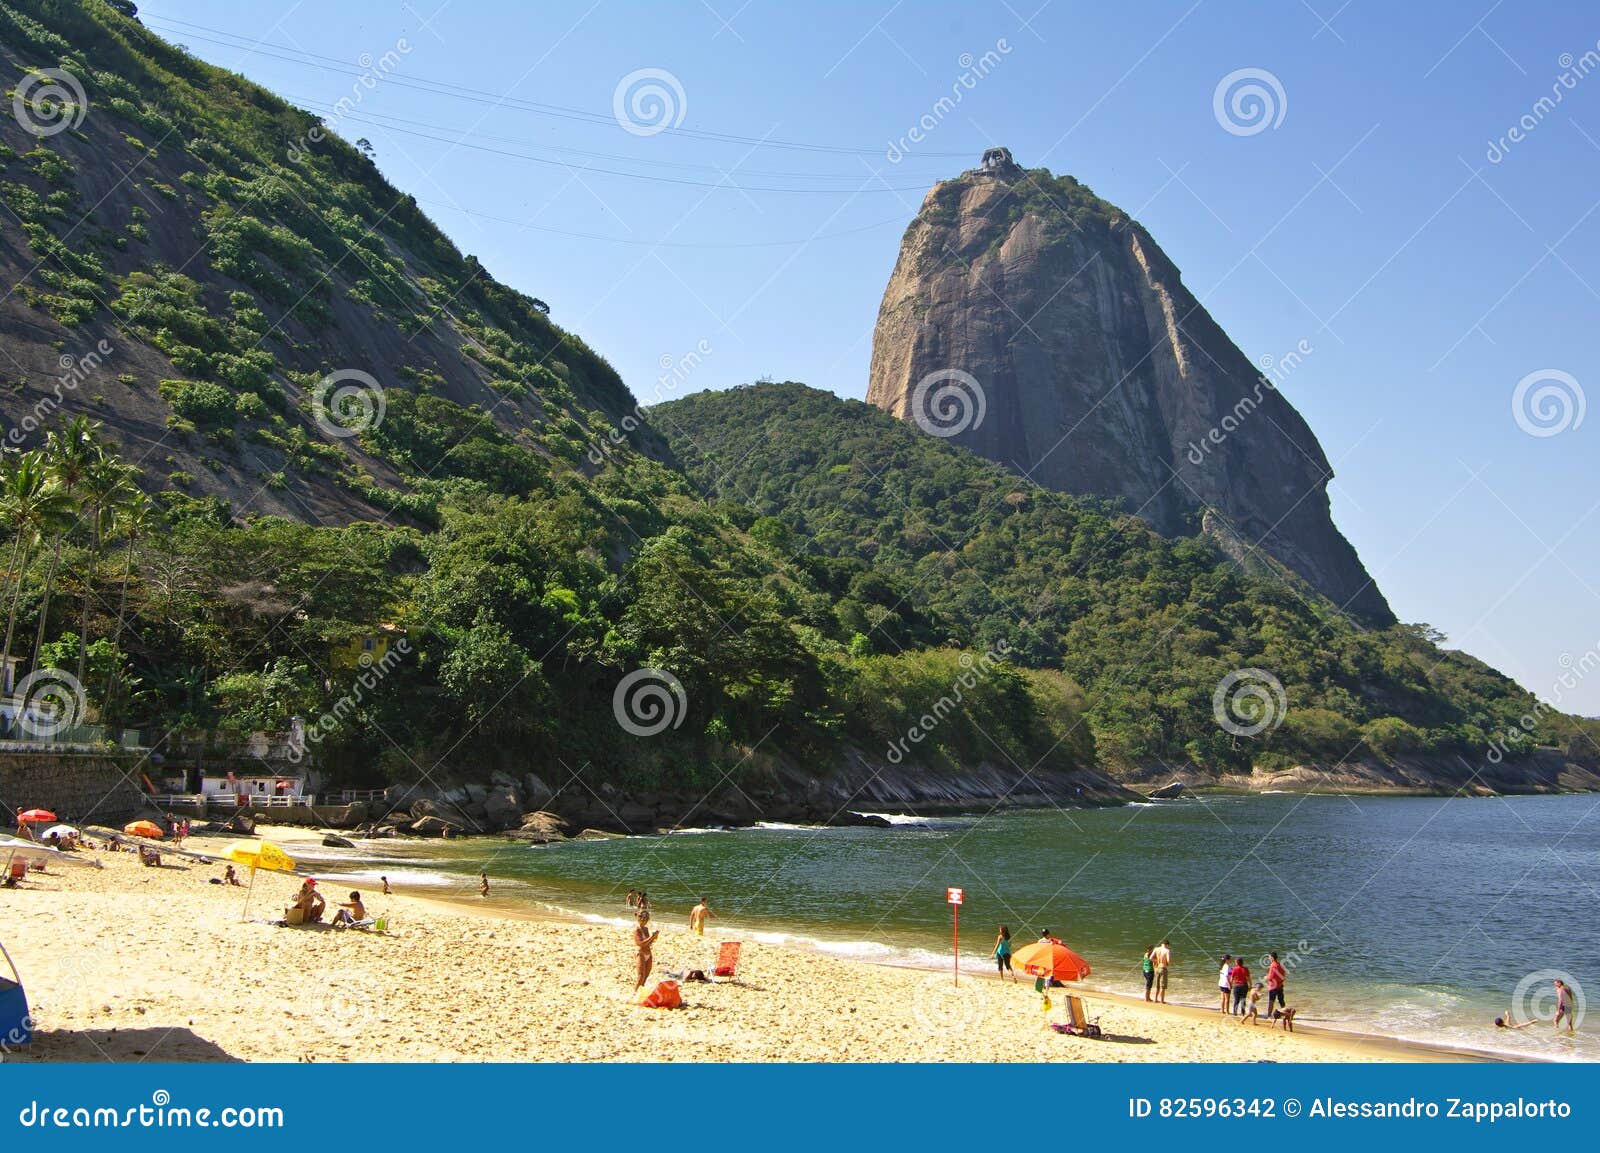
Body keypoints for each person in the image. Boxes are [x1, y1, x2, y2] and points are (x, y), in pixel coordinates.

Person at [633, 909, 659, 990]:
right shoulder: (637, 930)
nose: (644, 920)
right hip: (640, 954)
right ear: (638, 918)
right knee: (640, 977)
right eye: (642, 918)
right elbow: (640, 943)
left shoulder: (646, 929)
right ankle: (634, 993)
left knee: (645, 978)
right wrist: (652, 937)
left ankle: (640, 993)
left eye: (646, 919)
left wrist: (654, 937)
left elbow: (648, 943)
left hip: (648, 953)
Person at [1265, 951, 1287, 1016]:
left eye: (1269, 957)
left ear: (1272, 958)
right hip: (1280, 985)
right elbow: (1283, 975)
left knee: (1271, 1001)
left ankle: (1269, 1015)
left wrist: (1266, 977)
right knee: (1281, 1001)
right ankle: (1286, 1013)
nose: (1269, 958)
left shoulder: (1272, 965)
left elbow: (1270, 977)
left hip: (1273, 986)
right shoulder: (1280, 965)